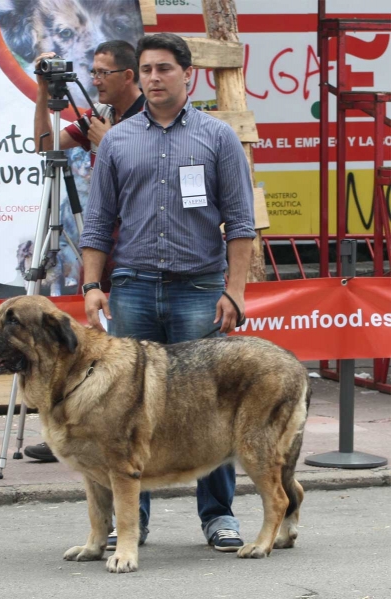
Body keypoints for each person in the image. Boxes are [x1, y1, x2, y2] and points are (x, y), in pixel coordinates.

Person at [79, 33, 256, 552]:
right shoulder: (116, 140)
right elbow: (97, 224)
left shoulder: (217, 138)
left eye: (164, 69)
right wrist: (92, 285)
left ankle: (219, 516)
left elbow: (241, 224)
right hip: (131, 288)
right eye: (148, 70)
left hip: (199, 290)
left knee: (211, 405)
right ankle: (130, 524)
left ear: (188, 74)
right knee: (123, 410)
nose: (154, 78)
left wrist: (236, 291)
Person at [24, 40, 144, 464]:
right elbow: (44, 142)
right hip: (103, 242)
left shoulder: (148, 118)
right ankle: (78, 426)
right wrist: (43, 90)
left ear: (128, 76)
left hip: (139, 245)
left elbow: (154, 171)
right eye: (91, 73)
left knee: (129, 349)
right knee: (98, 334)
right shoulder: (99, 116)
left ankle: (123, 435)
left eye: (102, 73)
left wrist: (111, 143)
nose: (94, 81)